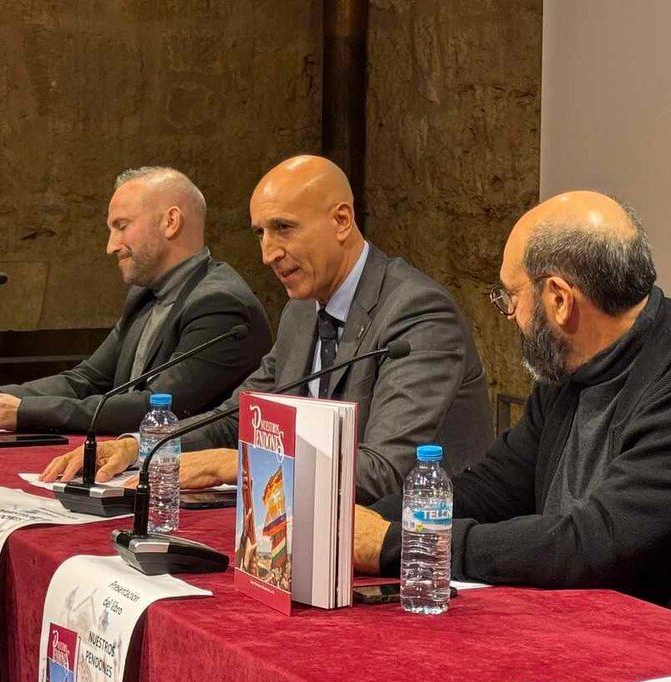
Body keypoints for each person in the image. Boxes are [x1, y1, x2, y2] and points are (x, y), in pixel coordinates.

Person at [352, 190, 671, 618]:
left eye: (510, 298)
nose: (510, 317)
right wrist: (369, 521)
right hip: (591, 623)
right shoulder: (571, 368)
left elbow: (593, 547)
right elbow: (495, 489)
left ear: (559, 299)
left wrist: (405, 544)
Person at [42, 155, 493, 503]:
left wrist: (234, 465)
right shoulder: (301, 312)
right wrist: (139, 447)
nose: (268, 253)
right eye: (260, 232)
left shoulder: (417, 312)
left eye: (284, 229)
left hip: (419, 554)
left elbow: (385, 471)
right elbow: (240, 416)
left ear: (341, 221)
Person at [0, 167, 272, 435]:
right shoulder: (145, 294)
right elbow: (85, 380)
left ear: (171, 222)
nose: (111, 246)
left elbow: (154, 408)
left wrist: (24, 412)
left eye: (121, 226)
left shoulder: (221, 305)